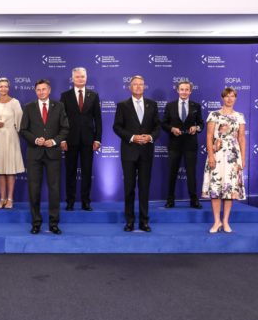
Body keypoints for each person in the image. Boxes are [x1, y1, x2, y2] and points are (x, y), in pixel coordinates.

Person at [20, 79, 69, 235]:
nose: (41, 92)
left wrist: (54, 141)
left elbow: (65, 128)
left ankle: (54, 223)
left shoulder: (59, 106)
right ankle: (36, 223)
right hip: (34, 154)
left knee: (54, 189)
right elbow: (23, 130)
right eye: (38, 90)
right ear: (36, 91)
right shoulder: (28, 107)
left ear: (49, 90)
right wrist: (35, 140)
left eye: (44, 89)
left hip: (53, 153)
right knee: (34, 189)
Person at [113, 75, 160, 232]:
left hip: (146, 151)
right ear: (130, 87)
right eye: (135, 84)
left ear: (144, 87)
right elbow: (117, 127)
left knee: (144, 188)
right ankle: (130, 221)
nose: (138, 87)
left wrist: (150, 137)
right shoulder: (122, 105)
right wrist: (132, 137)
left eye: (141, 84)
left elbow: (157, 126)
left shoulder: (152, 104)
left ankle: (144, 221)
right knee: (129, 188)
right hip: (129, 151)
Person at [201, 87, 246, 234]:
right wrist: (211, 156)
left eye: (232, 96)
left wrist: (242, 159)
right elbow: (209, 137)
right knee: (216, 188)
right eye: (227, 96)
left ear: (235, 98)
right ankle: (217, 221)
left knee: (229, 189)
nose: (229, 99)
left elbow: (241, 138)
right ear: (222, 98)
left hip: (233, 156)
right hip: (217, 154)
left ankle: (225, 221)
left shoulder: (239, 116)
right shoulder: (214, 115)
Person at [59, 67, 102, 211]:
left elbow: (98, 119)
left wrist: (97, 139)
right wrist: (62, 139)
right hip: (70, 140)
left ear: (86, 78)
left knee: (87, 172)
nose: (80, 79)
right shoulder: (65, 96)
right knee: (70, 172)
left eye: (82, 76)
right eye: (77, 77)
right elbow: (61, 119)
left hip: (88, 141)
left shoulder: (93, 95)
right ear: (72, 79)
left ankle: (86, 202)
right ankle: (70, 202)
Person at [162, 80, 204, 209]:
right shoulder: (170, 106)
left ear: (190, 91)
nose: (184, 92)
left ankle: (194, 200)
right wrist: (172, 129)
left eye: (187, 89)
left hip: (190, 145)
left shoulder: (196, 106)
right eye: (182, 89)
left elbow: (201, 124)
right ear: (177, 90)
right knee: (172, 173)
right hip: (174, 145)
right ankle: (170, 200)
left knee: (191, 173)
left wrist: (196, 128)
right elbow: (164, 123)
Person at [0, 77, 24, 209]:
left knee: (10, 169)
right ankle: (2, 199)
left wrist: (15, 132)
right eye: (1, 86)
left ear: (9, 88)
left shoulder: (15, 102)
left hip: (11, 137)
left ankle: (10, 199)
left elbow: (20, 122)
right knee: (0, 169)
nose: (3, 89)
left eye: (6, 86)